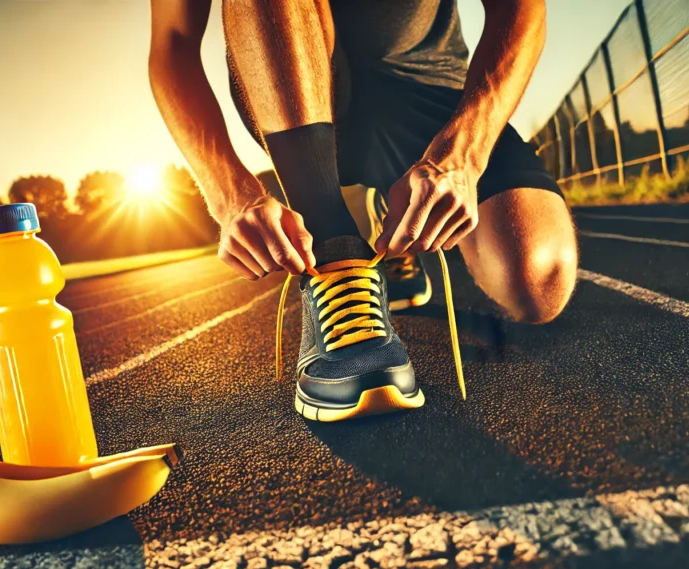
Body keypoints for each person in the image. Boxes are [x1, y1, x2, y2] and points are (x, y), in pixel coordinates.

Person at [148, 0, 577, 421]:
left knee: (537, 282)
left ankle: (380, 218)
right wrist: (229, 194)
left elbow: (522, 8)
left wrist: (466, 152)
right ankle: (335, 246)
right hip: (293, 84)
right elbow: (173, 41)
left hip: (429, 88)